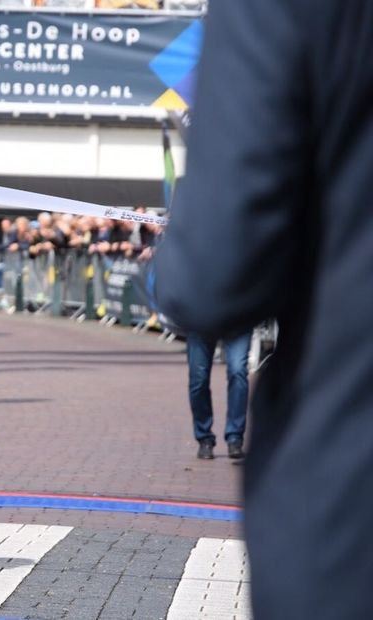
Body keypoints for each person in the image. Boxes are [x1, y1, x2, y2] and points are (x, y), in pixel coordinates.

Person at [152, 2, 373, 617]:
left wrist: (176, 245)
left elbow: (211, 278)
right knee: (206, 374)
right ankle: (211, 434)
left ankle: (229, 435)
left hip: (349, 496)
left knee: (234, 368)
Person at [185, 333, 250, 459]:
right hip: (201, 320)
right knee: (199, 379)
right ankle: (204, 438)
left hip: (238, 320)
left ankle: (235, 438)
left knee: (238, 371)